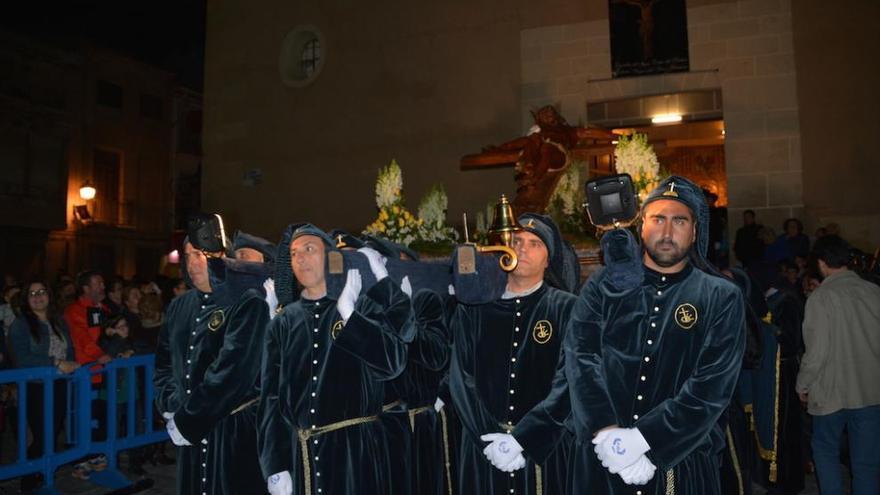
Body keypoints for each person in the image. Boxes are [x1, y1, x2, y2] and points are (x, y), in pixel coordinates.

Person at [565, 175, 746, 493]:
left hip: (682, 461)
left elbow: (711, 386)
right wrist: (607, 432)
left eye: (679, 221)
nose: (666, 232)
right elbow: (581, 357)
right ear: (641, 227)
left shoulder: (721, 296)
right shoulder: (603, 286)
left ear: (694, 232)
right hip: (603, 457)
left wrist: (646, 440)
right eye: (657, 219)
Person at [258, 224, 409, 495]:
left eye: (309, 249)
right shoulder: (283, 322)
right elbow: (270, 398)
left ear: (331, 257)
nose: (300, 258)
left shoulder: (362, 307)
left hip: (356, 456)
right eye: (293, 253)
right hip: (302, 455)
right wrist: (275, 464)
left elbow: (393, 363)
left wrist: (350, 315)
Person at [449, 213, 579, 495]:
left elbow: (569, 381)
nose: (522, 248)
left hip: (544, 449)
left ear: (549, 259)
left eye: (535, 243)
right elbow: (460, 377)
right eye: (517, 240)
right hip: (482, 448)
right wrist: (489, 441)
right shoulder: (475, 307)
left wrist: (524, 439)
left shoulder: (567, 309)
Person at [154, 233, 271, 495]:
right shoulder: (179, 306)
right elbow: (163, 363)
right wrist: (170, 404)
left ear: (222, 258)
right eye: (188, 256)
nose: (193, 263)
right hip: (185, 428)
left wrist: (189, 419)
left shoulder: (246, 302)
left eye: (200, 254)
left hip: (231, 433)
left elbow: (232, 373)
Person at [796, 235, 880, 495]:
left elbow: (816, 352)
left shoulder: (821, 297)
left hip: (831, 391)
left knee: (825, 453)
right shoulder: (874, 291)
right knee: (866, 463)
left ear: (822, 263)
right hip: (870, 390)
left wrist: (802, 384)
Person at [8, 281, 79, 490]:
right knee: (40, 433)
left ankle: (42, 472)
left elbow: (69, 348)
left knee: (53, 430)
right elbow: (21, 358)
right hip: (36, 386)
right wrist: (55, 363)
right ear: (26, 299)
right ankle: (29, 478)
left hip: (59, 384)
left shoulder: (58, 320)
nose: (38, 296)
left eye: (42, 292)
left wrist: (72, 364)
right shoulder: (20, 324)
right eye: (32, 293)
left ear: (49, 295)